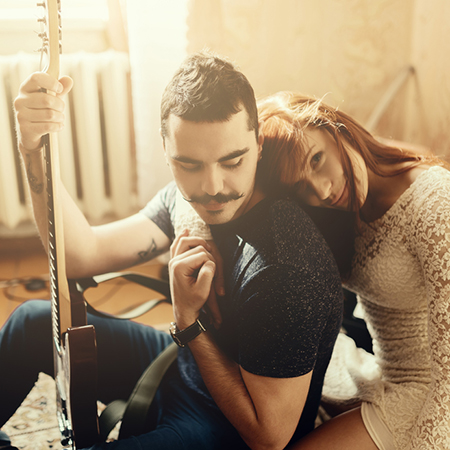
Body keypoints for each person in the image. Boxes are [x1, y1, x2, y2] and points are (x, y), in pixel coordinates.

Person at [0, 54, 343, 450]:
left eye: (232, 161)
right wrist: (32, 150)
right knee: (30, 322)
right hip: (183, 366)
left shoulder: (284, 265)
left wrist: (188, 321)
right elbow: (80, 255)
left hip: (229, 425)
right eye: (189, 164)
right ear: (165, 151)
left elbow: (269, 437)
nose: (213, 186)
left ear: (259, 143)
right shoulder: (190, 202)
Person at [255, 91, 450, 450]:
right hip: (378, 373)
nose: (323, 190)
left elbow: (449, 379)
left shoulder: (434, 202)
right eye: (300, 186)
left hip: (430, 393)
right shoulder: (336, 211)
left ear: (334, 127)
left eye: (316, 159)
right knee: (273, 397)